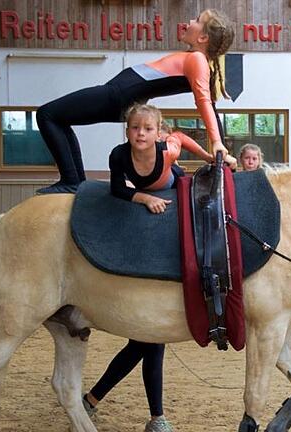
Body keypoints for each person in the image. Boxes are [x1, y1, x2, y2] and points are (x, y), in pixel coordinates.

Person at [84, 104, 212, 432]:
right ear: (127, 131)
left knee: (147, 342)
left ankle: (102, 402)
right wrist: (141, 198)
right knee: (149, 342)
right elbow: (117, 188)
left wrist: (211, 158)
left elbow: (183, 138)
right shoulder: (119, 154)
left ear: (158, 133)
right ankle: (150, 415)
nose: (140, 133)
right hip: (146, 204)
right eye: (134, 127)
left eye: (147, 128)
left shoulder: (167, 149)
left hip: (173, 187)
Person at [35, 9, 237, 194]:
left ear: (203, 37)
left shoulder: (197, 60)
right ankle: (75, 180)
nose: (191, 21)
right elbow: (211, 107)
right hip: (121, 99)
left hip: (117, 96)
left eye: (198, 20)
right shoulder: (197, 61)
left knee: (47, 114)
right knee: (59, 119)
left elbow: (205, 104)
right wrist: (218, 143)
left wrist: (218, 143)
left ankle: (71, 180)